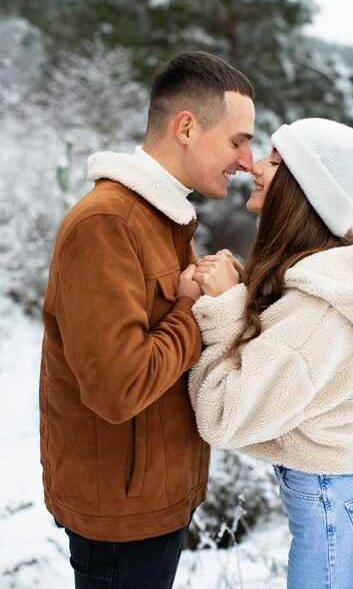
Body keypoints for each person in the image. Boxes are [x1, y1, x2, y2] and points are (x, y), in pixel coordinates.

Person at [39, 51, 255, 589]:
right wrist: (190, 309)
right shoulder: (107, 224)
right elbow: (119, 387)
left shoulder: (164, 219)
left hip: (154, 500)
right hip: (120, 515)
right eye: (237, 140)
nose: (248, 161)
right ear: (186, 126)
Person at [187, 118, 353, 589]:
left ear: (304, 187)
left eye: (274, 159)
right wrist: (245, 290)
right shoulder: (323, 273)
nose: (255, 166)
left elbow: (224, 415)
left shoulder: (320, 311)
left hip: (336, 505)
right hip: (344, 498)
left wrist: (226, 308)